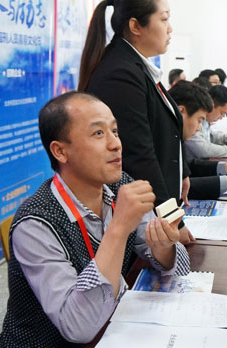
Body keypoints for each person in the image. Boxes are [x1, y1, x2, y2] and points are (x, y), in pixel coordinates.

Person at [0, 92, 190, 348]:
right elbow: (78, 327)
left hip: (109, 333)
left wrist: (164, 247)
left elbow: (176, 266)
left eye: (115, 131)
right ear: (60, 151)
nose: (116, 145)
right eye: (98, 133)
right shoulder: (36, 224)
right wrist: (119, 227)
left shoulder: (119, 185)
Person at [78, 0, 193, 242]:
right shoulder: (121, 74)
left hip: (151, 211)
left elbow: (166, 130)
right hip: (136, 220)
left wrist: (182, 172)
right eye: (164, 19)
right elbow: (139, 157)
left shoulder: (137, 66)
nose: (170, 28)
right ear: (135, 26)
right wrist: (173, 220)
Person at [169, 81, 227, 199]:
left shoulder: (175, 137)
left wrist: (226, 167)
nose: (199, 127)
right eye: (199, 120)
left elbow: (189, 165)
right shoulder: (163, 140)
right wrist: (226, 183)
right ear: (181, 111)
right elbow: (173, 186)